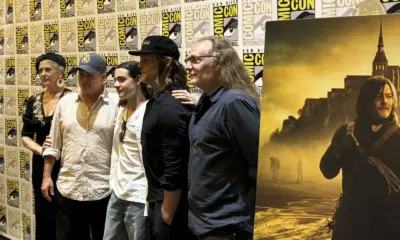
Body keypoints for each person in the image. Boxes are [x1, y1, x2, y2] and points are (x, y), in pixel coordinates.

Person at [185, 36, 260, 240]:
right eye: (188, 60)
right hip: (202, 223)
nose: (188, 66)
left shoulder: (234, 103)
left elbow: (259, 161)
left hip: (226, 226)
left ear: (218, 63)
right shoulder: (207, 101)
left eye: (195, 60)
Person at [41, 53, 119, 240]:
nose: (84, 80)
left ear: (103, 77)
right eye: (81, 74)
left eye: (89, 75)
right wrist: (46, 176)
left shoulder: (117, 104)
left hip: (103, 190)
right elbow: (53, 144)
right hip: (68, 188)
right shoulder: (65, 102)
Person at [128, 35, 195, 240]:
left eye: (146, 60)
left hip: (171, 210)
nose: (140, 66)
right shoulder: (156, 101)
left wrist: (166, 215)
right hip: (157, 201)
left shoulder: (170, 107)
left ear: (166, 63)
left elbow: (174, 167)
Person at [320, 76, 400, 240]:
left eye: (388, 96)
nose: (384, 101)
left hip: (389, 226)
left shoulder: (398, 137)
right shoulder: (346, 132)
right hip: (351, 224)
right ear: (366, 99)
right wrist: (339, 149)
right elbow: (327, 170)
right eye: (378, 96)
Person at [21, 53, 71, 240]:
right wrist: (41, 150)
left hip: (66, 165)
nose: (43, 74)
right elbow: (25, 136)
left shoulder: (72, 100)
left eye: (48, 69)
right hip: (40, 165)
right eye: (40, 70)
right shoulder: (33, 101)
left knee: (65, 217)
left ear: (60, 72)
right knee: (43, 215)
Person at [103, 61, 151, 240]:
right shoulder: (122, 109)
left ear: (138, 80)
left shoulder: (148, 112)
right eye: (115, 80)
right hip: (117, 191)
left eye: (122, 80)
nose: (116, 84)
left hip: (138, 197)